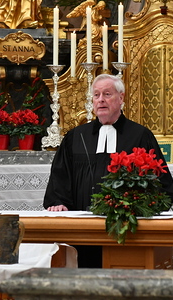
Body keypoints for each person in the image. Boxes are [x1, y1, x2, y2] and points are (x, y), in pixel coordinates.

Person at [43, 74, 173, 267]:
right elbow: (61, 175)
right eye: (96, 95)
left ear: (121, 98)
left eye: (107, 94)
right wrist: (58, 202)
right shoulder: (76, 136)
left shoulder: (140, 135)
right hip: (83, 231)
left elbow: (159, 182)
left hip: (126, 230)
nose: (101, 99)